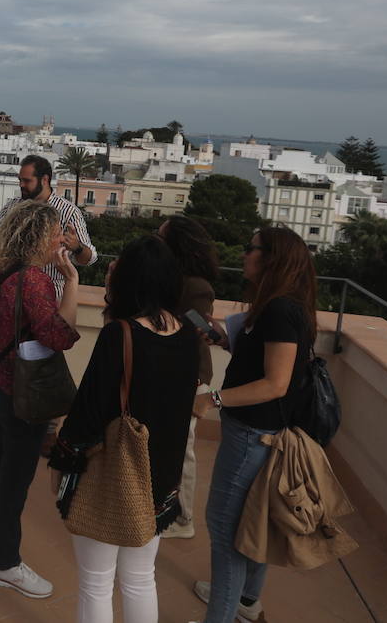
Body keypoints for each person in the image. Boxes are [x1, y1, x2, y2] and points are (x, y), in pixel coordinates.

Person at [52, 236, 199, 623]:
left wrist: (63, 461)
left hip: (114, 475)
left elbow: (89, 411)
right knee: (139, 578)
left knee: (96, 582)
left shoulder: (121, 334)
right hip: (158, 478)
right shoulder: (188, 336)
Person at [189, 226, 317, 623]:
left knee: (224, 529)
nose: (244, 255)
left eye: (251, 249)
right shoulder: (281, 306)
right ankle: (245, 601)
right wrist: (226, 339)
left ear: (271, 258)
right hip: (261, 434)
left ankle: (222, 615)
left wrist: (212, 399)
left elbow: (275, 383)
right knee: (253, 518)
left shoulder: (279, 310)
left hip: (251, 435)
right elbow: (267, 361)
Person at [0, 199, 81, 599]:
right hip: (22, 393)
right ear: (39, 237)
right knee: (16, 476)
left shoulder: (6, 270)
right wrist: (73, 282)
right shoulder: (33, 281)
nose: (61, 239)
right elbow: (61, 335)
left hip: (0, 383)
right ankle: (5, 564)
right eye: (56, 234)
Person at [0, 154, 97, 300]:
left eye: (27, 181)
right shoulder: (15, 206)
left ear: (45, 180)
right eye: (20, 180)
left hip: (49, 295)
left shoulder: (68, 212)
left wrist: (77, 247)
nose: (21, 185)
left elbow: (89, 258)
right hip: (12, 292)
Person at [156, 216, 219, 539]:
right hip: (170, 374)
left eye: (161, 236)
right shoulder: (170, 278)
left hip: (188, 377)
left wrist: (193, 386)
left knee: (182, 450)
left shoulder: (196, 287)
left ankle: (183, 519)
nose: (156, 240)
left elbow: (198, 335)